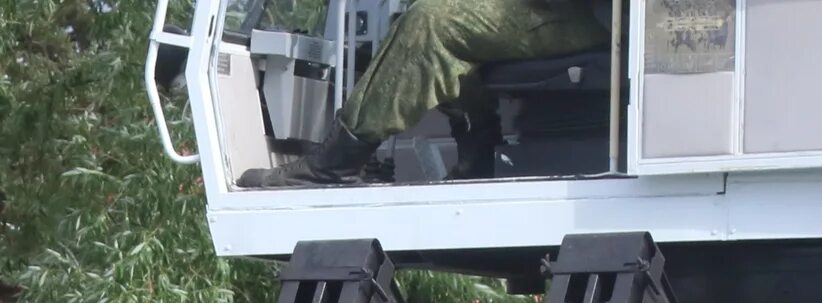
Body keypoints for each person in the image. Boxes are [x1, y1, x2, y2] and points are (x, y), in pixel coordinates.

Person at [251, 0, 607, 183]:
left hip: (595, 16)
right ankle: (478, 154)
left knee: (429, 24)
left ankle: (334, 164)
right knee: (425, 15)